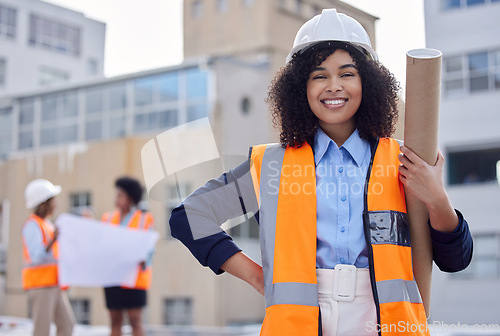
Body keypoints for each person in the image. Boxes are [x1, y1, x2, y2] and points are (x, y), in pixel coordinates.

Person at [169, 9, 473, 336]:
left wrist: (436, 198)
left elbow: (456, 260)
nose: (333, 86)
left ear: (367, 82)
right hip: (299, 325)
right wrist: (257, 276)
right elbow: (188, 216)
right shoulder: (271, 166)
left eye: (346, 74)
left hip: (383, 323)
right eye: (319, 76)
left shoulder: (404, 160)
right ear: (301, 87)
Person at [101, 177, 154, 336]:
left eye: (121, 194)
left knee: (135, 320)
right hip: (113, 277)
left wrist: (143, 258)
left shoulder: (145, 219)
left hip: (134, 278)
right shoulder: (107, 218)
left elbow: (149, 249)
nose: (116, 197)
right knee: (115, 320)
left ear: (131, 197)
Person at [22, 179, 75, 336]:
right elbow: (36, 256)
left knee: (67, 325)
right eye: (53, 200)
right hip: (41, 285)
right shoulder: (32, 225)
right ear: (44, 203)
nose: (56, 203)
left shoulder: (48, 225)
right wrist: (53, 240)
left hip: (54, 284)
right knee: (42, 330)